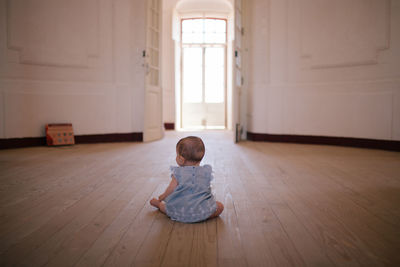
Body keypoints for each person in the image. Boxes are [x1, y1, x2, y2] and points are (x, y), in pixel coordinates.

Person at [150, 136, 224, 223]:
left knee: (167, 208)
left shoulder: (178, 172)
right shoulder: (206, 172)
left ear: (181, 159)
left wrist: (162, 197)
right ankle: (202, 216)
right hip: (200, 211)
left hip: (180, 212)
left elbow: (171, 189)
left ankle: (158, 204)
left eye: (177, 155)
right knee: (220, 206)